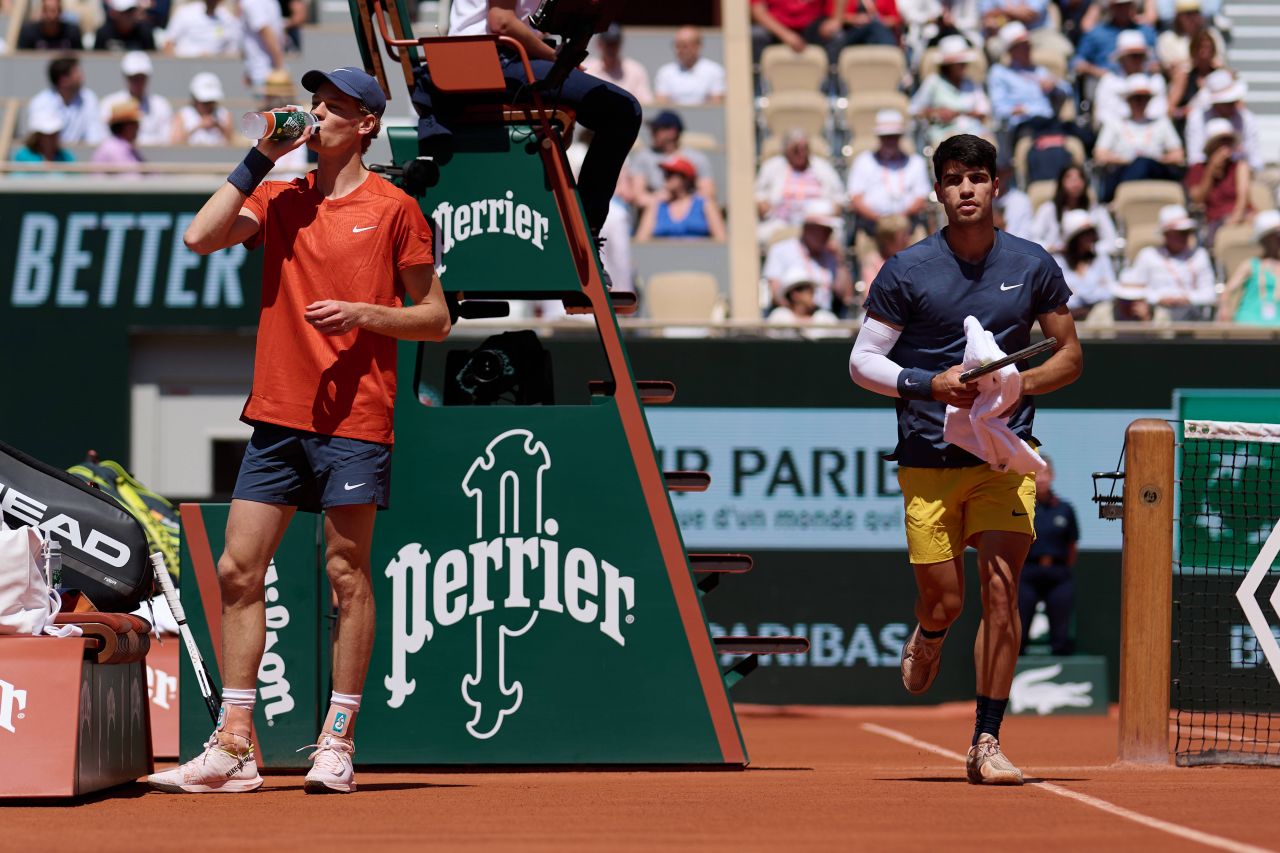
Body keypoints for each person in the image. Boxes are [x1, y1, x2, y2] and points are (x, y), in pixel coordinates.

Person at [147, 66, 450, 795]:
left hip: (356, 417)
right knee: (235, 570)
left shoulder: (395, 209)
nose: (317, 116)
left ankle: (337, 740)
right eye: (315, 104)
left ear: (368, 124)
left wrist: (364, 313)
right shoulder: (280, 196)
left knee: (346, 576)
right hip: (278, 415)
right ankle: (235, 744)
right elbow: (199, 237)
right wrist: (259, 157)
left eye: (335, 107)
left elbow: (435, 318)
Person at [848, 133, 1082, 784]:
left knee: (1003, 594)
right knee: (946, 603)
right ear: (939, 191)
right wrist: (930, 384)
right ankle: (929, 630)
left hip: (1004, 455)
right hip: (927, 455)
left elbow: (1068, 355)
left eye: (977, 177)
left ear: (996, 185)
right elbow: (861, 362)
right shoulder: (906, 269)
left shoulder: (1032, 264)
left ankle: (986, 739)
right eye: (953, 179)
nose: (967, 189)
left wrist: (1012, 386)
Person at [421, 0, 642, 246]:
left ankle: (583, 231)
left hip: (496, 57)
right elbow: (501, 21)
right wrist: (554, 56)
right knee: (622, 111)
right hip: (484, 60)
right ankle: (586, 234)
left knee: (616, 110)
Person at [1018, 456, 1079, 656]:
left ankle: (1063, 667)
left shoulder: (1065, 509)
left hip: (1057, 573)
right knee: (1019, 627)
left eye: (1045, 473)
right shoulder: (1022, 508)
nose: (1041, 479)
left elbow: (1072, 545)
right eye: (1036, 474)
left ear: (1052, 476)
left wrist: (1062, 568)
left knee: (1061, 630)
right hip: (1028, 572)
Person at [1093, 74, 1184, 202]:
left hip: (1154, 170)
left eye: (1144, 98)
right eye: (1136, 99)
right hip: (1123, 170)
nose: (1140, 103)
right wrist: (1127, 161)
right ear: (1128, 100)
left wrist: (1155, 159)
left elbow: (1178, 154)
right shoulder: (1115, 123)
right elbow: (1100, 154)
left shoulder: (1161, 123)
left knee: (1143, 163)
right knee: (1139, 164)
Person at [846, 109, 931, 236]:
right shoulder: (863, 161)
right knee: (869, 254)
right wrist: (880, 220)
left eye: (894, 137)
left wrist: (900, 218)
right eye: (886, 137)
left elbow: (921, 197)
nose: (890, 141)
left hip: (908, 224)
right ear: (879, 138)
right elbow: (856, 197)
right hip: (872, 226)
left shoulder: (916, 162)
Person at [755, 128, 845, 246]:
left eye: (805, 149)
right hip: (781, 222)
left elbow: (839, 197)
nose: (801, 153)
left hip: (818, 222)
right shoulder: (772, 167)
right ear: (787, 150)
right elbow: (759, 196)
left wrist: (831, 209)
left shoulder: (823, 168)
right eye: (796, 149)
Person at [1125, 204, 1216, 321]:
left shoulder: (1199, 255)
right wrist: (1158, 298)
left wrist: (1187, 298)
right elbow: (1133, 290)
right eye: (1179, 233)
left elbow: (1210, 293)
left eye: (1186, 232)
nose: (1184, 237)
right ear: (1166, 234)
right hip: (1154, 315)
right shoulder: (1148, 255)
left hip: (1191, 315)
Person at [763, 200, 853, 314]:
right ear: (807, 228)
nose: (826, 234)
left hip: (825, 319)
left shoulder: (831, 255)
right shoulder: (781, 250)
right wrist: (800, 315)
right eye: (822, 229)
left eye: (828, 230)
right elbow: (775, 293)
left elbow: (846, 297)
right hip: (790, 316)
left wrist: (840, 261)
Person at [987, 22, 1071, 138]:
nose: (1028, 49)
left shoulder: (1039, 70)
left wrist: (1054, 85)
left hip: (1047, 120)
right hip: (1022, 124)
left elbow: (1067, 89)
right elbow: (998, 108)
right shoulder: (1000, 72)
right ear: (1011, 50)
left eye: (1028, 44)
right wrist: (1014, 111)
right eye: (1023, 46)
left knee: (1078, 132)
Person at [909, 35, 992, 147]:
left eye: (964, 63)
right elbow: (914, 109)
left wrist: (959, 113)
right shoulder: (934, 82)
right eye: (959, 64)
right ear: (948, 65)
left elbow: (984, 110)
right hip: (945, 135)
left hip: (974, 133)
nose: (963, 66)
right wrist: (935, 113)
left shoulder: (971, 83)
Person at [628, 110, 716, 208]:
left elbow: (708, 193)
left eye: (656, 129)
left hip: (689, 214)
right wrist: (661, 200)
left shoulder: (696, 158)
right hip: (654, 215)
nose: (652, 133)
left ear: (672, 132)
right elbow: (637, 197)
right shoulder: (644, 157)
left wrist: (681, 201)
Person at [1184, 117, 1251, 242]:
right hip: (1215, 222)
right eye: (1220, 142)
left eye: (1227, 142)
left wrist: (1235, 220)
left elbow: (1243, 199)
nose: (1225, 148)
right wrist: (1211, 170)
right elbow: (1197, 199)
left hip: (1240, 218)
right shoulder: (1198, 169)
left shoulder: (1239, 167)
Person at [1030, 163, 1119, 256]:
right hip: (1056, 259)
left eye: (1079, 179)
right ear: (1061, 182)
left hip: (1088, 262)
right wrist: (1053, 248)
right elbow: (1032, 238)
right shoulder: (1048, 209)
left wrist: (1090, 248)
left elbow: (1112, 242)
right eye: (1070, 179)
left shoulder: (1097, 210)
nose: (1075, 183)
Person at [1184, 69, 1263, 171]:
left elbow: (1254, 157)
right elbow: (1195, 158)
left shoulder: (1246, 118)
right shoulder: (1197, 118)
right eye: (1227, 102)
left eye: (1234, 101)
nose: (1232, 105)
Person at [635, 155, 725, 240]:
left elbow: (721, 239)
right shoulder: (656, 205)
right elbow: (642, 240)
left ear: (685, 178)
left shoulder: (705, 203)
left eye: (670, 174)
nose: (666, 177)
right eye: (665, 174)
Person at [1091, 30, 1168, 130]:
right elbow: (1104, 116)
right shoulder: (1109, 81)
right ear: (1122, 58)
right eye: (1132, 56)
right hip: (1117, 138)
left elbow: (1160, 113)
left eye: (1139, 55)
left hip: (1152, 137)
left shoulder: (1156, 80)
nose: (1137, 60)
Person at [1053, 209, 1116, 322]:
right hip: (1067, 318)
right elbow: (1058, 297)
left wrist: (1077, 293)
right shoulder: (1058, 262)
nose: (1091, 237)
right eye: (1085, 234)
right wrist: (1093, 291)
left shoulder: (1101, 259)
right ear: (1074, 239)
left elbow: (1110, 291)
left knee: (1104, 311)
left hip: (1096, 316)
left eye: (1092, 233)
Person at [1218, 210, 1280, 326]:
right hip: (1250, 325)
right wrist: (1225, 308)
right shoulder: (1251, 264)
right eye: (1275, 235)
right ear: (1265, 238)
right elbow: (1228, 292)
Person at [27, 55, 106, 146]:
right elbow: (40, 140)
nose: (82, 77)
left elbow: (95, 135)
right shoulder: (40, 102)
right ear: (63, 80)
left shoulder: (89, 98)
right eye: (77, 73)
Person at [101, 52, 174, 147]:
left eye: (142, 78)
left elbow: (166, 140)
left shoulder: (161, 105)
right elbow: (106, 139)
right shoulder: (110, 104)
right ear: (125, 77)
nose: (138, 82)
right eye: (134, 78)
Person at [1073, 0, 1156, 82]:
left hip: (1142, 86)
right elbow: (1077, 63)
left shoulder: (1146, 31)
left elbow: (1156, 62)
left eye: (1127, 5)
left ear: (1133, 6)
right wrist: (1098, 72)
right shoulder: (1096, 34)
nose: (1123, 9)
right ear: (1110, 7)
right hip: (1102, 85)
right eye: (1119, 6)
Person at [582, 23, 653, 106]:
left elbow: (645, 103)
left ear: (620, 44)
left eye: (615, 43)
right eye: (608, 44)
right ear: (599, 44)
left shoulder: (635, 70)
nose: (611, 48)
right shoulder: (587, 69)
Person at [1166, 29, 1220, 137]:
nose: (1204, 52)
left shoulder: (1222, 76)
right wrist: (1183, 112)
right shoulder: (1184, 77)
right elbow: (1170, 110)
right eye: (1200, 48)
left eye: (1207, 48)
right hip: (1189, 130)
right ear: (1193, 50)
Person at [654, 26, 725, 106]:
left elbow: (716, 104)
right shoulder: (665, 72)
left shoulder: (715, 70)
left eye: (684, 46)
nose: (680, 50)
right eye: (677, 46)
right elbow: (661, 103)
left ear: (698, 46)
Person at [767, 267, 843, 338]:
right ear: (795, 294)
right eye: (808, 291)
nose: (812, 295)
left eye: (813, 291)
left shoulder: (826, 318)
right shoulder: (779, 317)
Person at [818, 0, 897, 65]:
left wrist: (879, 21)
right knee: (875, 28)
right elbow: (833, 18)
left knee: (875, 30)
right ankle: (892, 61)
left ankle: (886, 67)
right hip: (851, 33)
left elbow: (895, 19)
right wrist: (856, 19)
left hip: (875, 32)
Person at [1156, 0, 1224, 72]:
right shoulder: (1166, 39)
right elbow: (1169, 67)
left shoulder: (1212, 35)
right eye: (1188, 14)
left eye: (1195, 13)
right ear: (1178, 17)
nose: (1192, 18)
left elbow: (1218, 62)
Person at [172, 72, 235, 145]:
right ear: (195, 99)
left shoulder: (224, 114)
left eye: (211, 101)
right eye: (204, 102)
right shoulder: (183, 114)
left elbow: (232, 141)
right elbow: (175, 142)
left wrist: (218, 126)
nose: (208, 106)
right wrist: (199, 126)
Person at [164, 0, 241, 57]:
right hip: (185, 66)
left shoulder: (227, 18)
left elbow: (232, 50)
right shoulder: (185, 13)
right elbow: (169, 43)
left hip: (217, 68)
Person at [10, 109, 75, 177]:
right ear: (37, 136)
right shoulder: (23, 156)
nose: (52, 138)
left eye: (55, 133)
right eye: (47, 135)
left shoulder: (66, 157)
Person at [858, 213, 913, 293]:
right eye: (903, 236)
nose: (907, 239)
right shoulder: (873, 261)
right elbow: (871, 296)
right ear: (887, 241)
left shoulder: (912, 259)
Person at [92, 99, 145, 178]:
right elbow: (131, 179)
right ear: (125, 125)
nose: (138, 127)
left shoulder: (128, 148)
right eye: (134, 123)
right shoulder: (112, 149)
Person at [240, 0, 286, 90]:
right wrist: (280, 67)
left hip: (268, 74)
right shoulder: (253, 2)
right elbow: (265, 31)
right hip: (263, 74)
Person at [17, 0, 83, 50]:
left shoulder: (72, 32)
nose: (49, 16)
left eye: (53, 11)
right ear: (42, 11)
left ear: (60, 12)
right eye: (46, 10)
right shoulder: (28, 32)